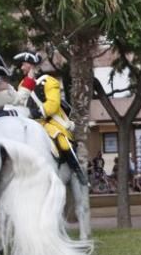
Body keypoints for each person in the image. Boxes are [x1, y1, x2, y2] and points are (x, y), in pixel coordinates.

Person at [13, 51, 86, 185]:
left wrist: (34, 113)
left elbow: (53, 105)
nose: (21, 68)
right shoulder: (23, 85)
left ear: (31, 65)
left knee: (62, 141)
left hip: (50, 122)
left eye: (23, 64)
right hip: (30, 123)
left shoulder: (49, 81)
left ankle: (76, 171)